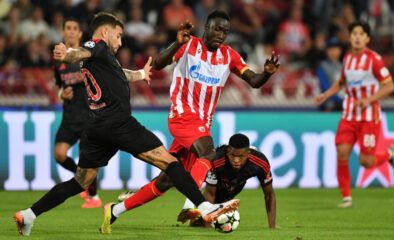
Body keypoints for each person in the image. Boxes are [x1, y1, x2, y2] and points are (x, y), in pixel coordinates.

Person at [13, 12, 239, 236]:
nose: (121, 42)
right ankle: (204, 206)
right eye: (119, 35)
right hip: (118, 123)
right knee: (171, 163)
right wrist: (67, 53)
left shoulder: (102, 59)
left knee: (80, 182)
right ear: (105, 31)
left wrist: (141, 73)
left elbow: (119, 74)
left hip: (96, 128)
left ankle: (29, 214)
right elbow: (79, 52)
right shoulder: (97, 46)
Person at [111, 10, 279, 224]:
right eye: (217, 29)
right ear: (206, 28)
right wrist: (176, 43)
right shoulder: (189, 46)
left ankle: (116, 210)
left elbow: (254, 81)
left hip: (201, 123)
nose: (221, 34)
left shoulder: (229, 56)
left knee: (167, 180)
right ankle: (193, 205)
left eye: (225, 31)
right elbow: (158, 65)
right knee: (208, 152)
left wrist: (267, 73)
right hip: (182, 116)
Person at [314, 21, 394, 208]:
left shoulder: (374, 59)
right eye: (354, 34)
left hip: (369, 117)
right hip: (349, 115)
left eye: (361, 34)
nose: (357, 37)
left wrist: (369, 99)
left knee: (366, 162)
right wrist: (325, 95)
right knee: (342, 152)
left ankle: (389, 155)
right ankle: (346, 197)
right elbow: (341, 82)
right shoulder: (347, 59)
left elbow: (390, 86)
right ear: (350, 37)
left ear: (367, 39)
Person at [120, 134, 277, 228]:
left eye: (241, 157)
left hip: (233, 185)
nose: (236, 160)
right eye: (233, 156)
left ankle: (197, 220)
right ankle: (140, 192)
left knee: (201, 222)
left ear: (248, 154)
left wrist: (272, 227)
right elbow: (209, 191)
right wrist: (209, 227)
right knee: (175, 178)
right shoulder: (217, 161)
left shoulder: (260, 163)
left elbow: (269, 195)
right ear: (228, 152)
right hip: (214, 177)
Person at [53, 17, 101, 208]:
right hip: (70, 115)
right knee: (59, 154)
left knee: (86, 160)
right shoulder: (57, 56)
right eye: (68, 28)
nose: (71, 31)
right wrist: (61, 93)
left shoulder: (86, 55)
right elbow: (58, 83)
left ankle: (94, 197)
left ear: (80, 34)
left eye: (75, 28)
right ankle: (80, 181)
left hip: (89, 115)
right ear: (63, 32)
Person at [316, 37, 343, 111]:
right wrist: (341, 100)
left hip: (343, 101)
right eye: (331, 49)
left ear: (340, 50)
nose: (333, 51)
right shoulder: (323, 67)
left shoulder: (343, 66)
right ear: (327, 51)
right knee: (330, 104)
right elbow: (325, 87)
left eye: (336, 48)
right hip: (330, 102)